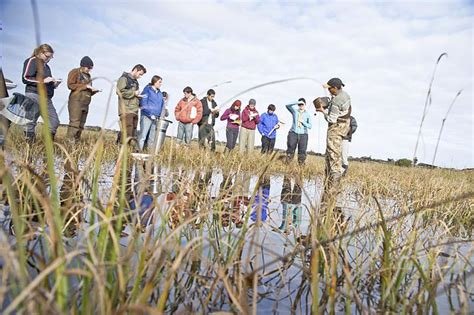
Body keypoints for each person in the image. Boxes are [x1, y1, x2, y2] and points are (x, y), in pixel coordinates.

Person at [315, 77, 351, 203]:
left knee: (333, 157)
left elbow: (331, 119)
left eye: (330, 88)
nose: (329, 90)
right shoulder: (346, 95)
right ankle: (329, 186)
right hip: (343, 129)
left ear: (335, 88)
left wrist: (323, 111)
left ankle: (332, 190)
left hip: (335, 131)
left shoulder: (336, 101)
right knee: (334, 155)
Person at [22, 43, 62, 141]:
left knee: (54, 122)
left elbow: (46, 82)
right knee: (30, 121)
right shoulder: (32, 60)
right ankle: (29, 147)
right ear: (40, 52)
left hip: (46, 98)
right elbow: (25, 78)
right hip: (33, 94)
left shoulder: (47, 67)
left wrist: (54, 84)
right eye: (47, 56)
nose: (48, 59)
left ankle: (47, 147)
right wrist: (43, 81)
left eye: (51, 57)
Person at [66, 56, 100, 142]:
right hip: (76, 102)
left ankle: (76, 143)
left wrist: (94, 91)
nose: (89, 70)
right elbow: (70, 85)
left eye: (91, 68)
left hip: (86, 103)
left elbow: (87, 90)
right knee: (75, 123)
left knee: (81, 125)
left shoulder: (88, 76)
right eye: (88, 67)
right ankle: (69, 143)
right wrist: (85, 86)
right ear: (83, 65)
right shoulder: (75, 72)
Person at [116, 64, 147, 144]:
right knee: (127, 132)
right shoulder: (124, 78)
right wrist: (134, 93)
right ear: (135, 70)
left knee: (132, 133)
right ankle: (122, 150)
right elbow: (119, 92)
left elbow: (134, 95)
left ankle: (125, 149)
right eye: (140, 74)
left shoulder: (136, 82)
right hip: (126, 110)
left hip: (134, 110)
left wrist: (139, 98)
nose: (140, 76)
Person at [138, 75, 164, 150]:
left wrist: (160, 115)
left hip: (156, 118)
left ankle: (148, 153)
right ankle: (138, 151)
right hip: (146, 116)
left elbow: (162, 105)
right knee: (143, 136)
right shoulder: (147, 90)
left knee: (152, 138)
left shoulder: (160, 93)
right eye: (159, 82)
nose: (160, 84)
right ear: (154, 82)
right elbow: (143, 103)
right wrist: (150, 114)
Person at [285, 98, 312, 165]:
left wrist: (303, 122)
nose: (301, 106)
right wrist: (296, 102)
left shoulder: (307, 115)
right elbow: (287, 105)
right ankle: (287, 164)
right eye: (299, 104)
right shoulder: (295, 111)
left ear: (305, 105)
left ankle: (301, 165)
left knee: (302, 151)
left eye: (302, 104)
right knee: (290, 148)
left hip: (303, 134)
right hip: (293, 133)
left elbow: (310, 126)